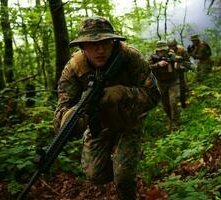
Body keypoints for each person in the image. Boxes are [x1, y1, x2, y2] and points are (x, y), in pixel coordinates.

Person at [52, 17, 160, 200]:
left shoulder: (130, 58)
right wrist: (71, 117)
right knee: (94, 175)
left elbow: (153, 95)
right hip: (99, 124)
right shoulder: (72, 69)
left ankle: (126, 173)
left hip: (129, 122)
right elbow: (60, 116)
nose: (100, 50)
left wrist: (123, 93)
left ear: (114, 42)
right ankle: (121, 165)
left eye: (105, 43)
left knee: (123, 177)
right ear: (82, 46)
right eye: (92, 44)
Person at [149, 41, 181, 132]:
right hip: (161, 83)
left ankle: (175, 124)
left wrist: (177, 61)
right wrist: (158, 64)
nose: (162, 52)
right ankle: (170, 119)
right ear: (157, 51)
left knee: (173, 101)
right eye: (160, 50)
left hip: (173, 82)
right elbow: (147, 66)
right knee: (165, 104)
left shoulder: (171, 54)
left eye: (164, 50)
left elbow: (176, 62)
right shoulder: (152, 57)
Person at [167, 37, 191, 108]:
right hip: (169, 73)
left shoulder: (182, 50)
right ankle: (172, 106)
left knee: (182, 88)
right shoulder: (165, 51)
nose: (172, 47)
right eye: (170, 46)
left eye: (173, 46)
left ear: (176, 45)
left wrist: (184, 68)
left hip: (180, 72)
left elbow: (187, 62)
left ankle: (183, 104)